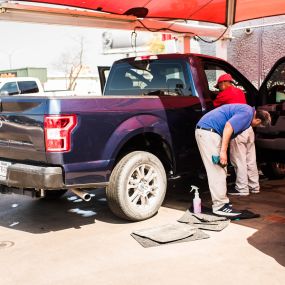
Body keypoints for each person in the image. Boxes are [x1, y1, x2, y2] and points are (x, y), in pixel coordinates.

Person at [195, 104, 271, 217]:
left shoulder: (247, 111)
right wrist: (223, 151)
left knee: (221, 168)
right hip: (209, 133)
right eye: (258, 125)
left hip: (209, 132)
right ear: (258, 119)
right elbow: (228, 126)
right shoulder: (247, 114)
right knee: (217, 170)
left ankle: (222, 202)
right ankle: (219, 206)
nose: (256, 126)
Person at [214, 73, 260, 196]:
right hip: (248, 128)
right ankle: (254, 186)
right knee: (250, 159)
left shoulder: (224, 94)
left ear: (223, 84)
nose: (219, 89)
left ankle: (242, 189)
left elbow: (214, 105)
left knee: (239, 160)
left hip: (237, 129)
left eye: (219, 86)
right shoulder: (239, 92)